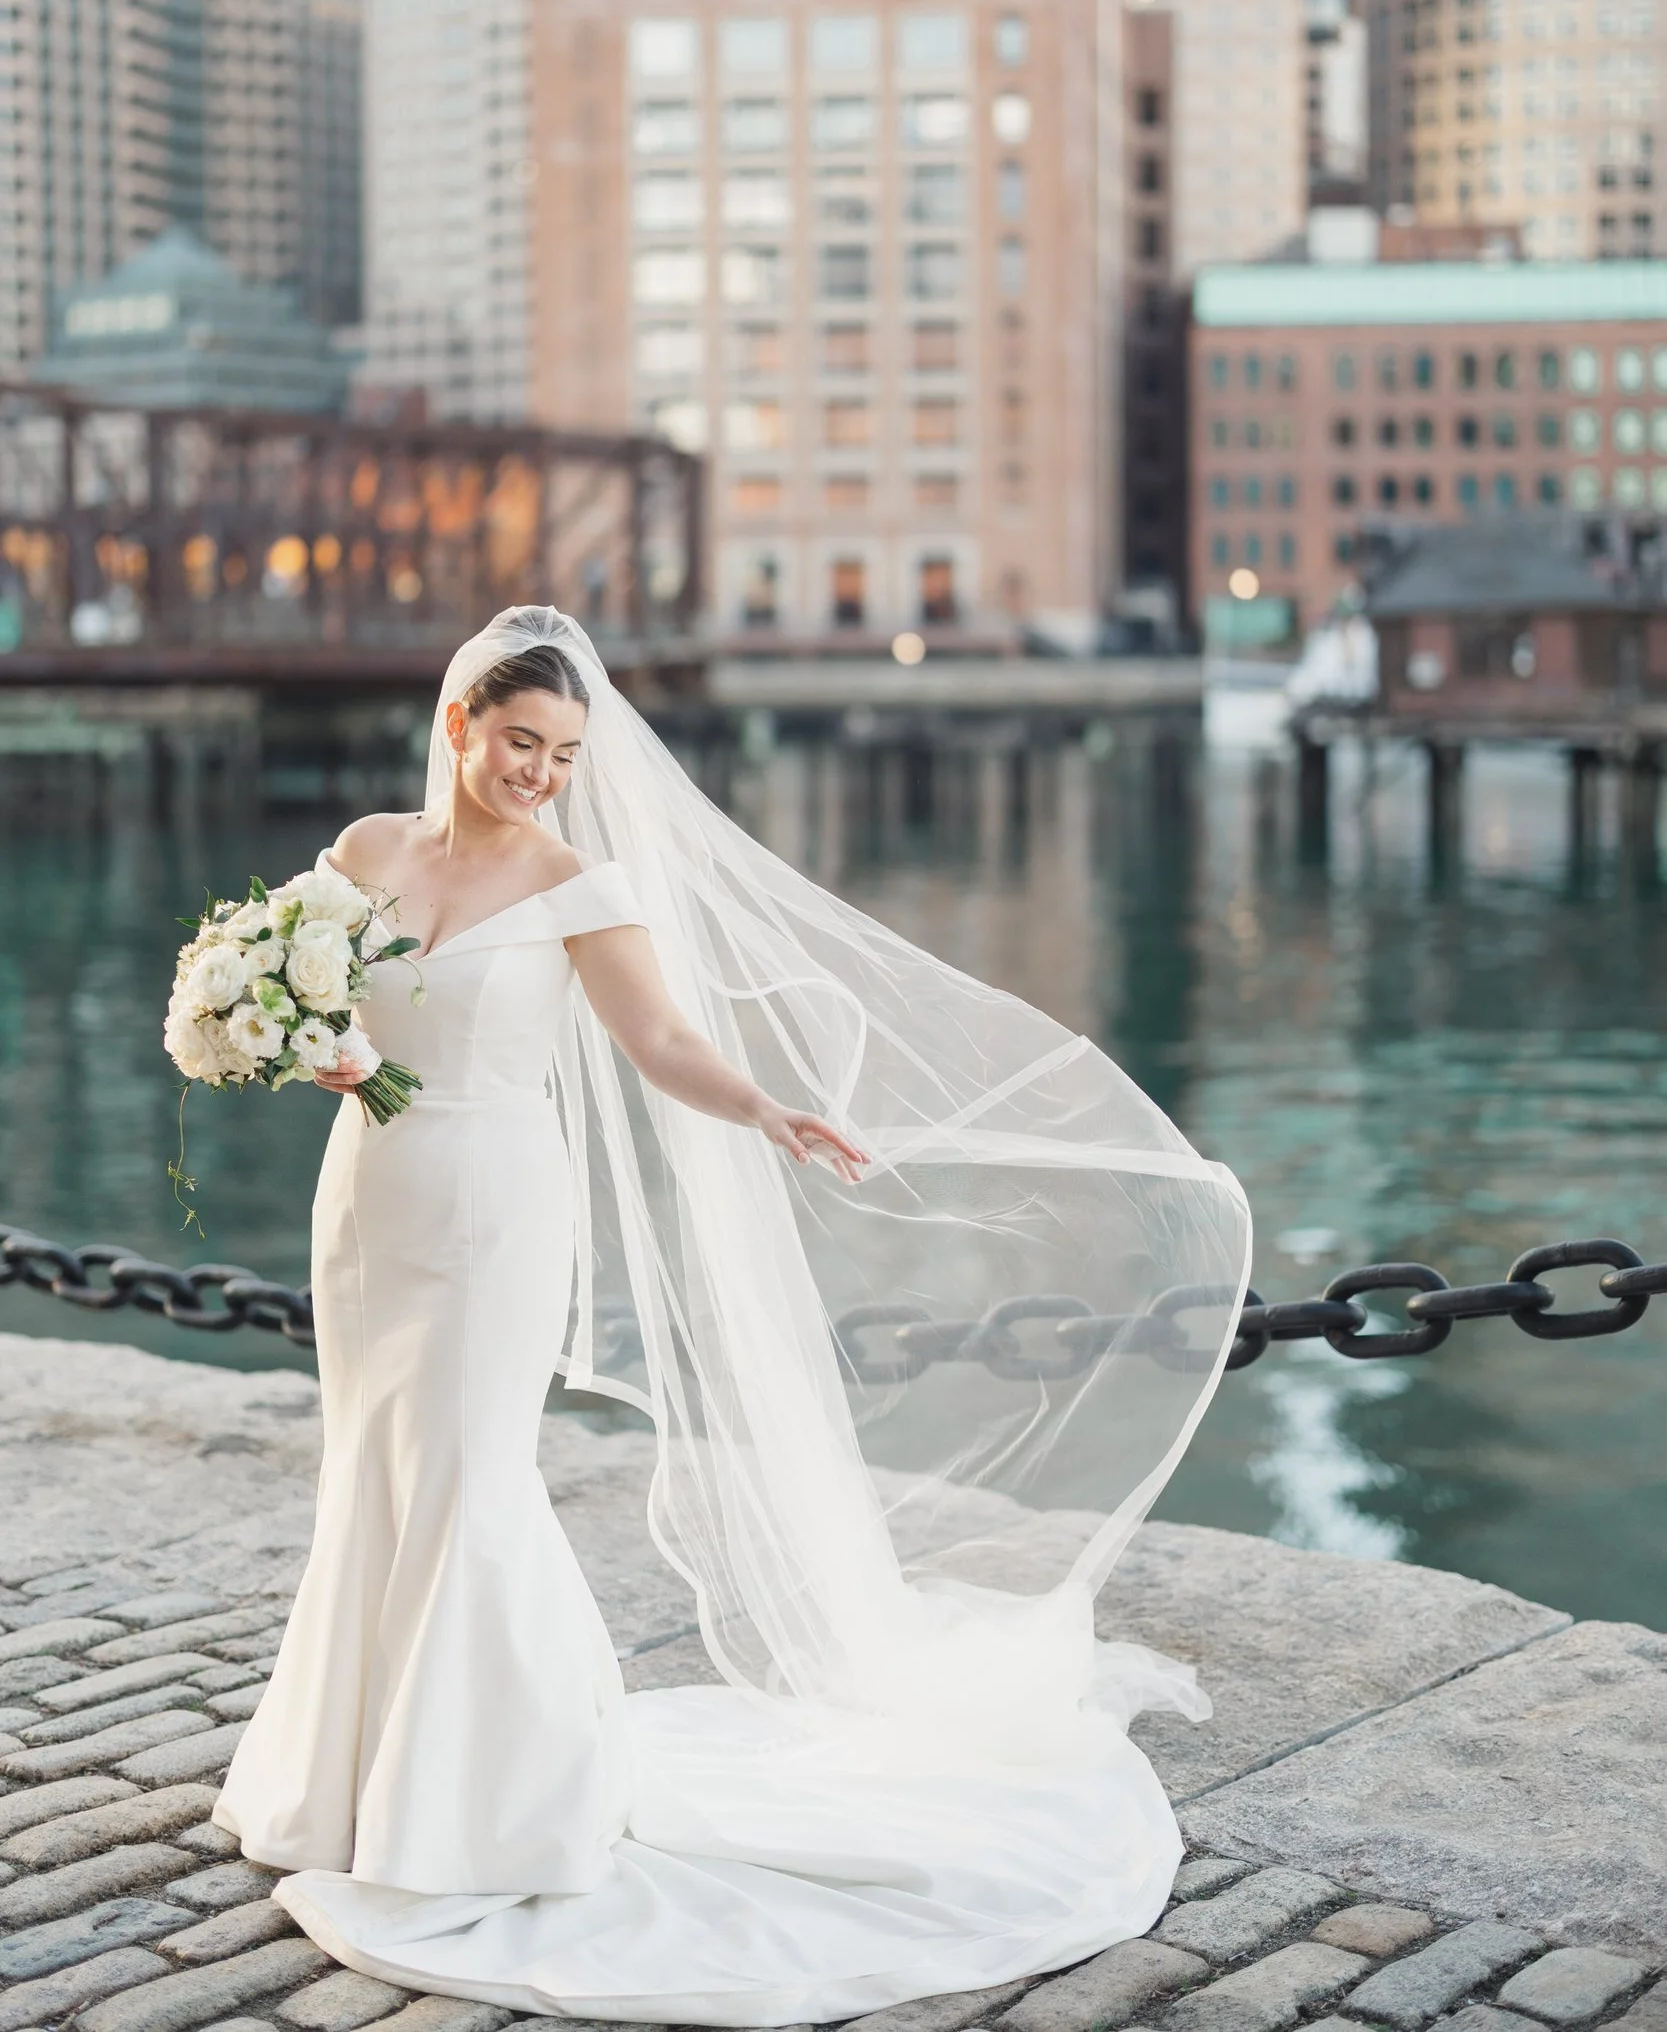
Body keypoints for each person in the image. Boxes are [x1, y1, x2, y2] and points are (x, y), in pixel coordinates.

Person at [214, 606, 1250, 2025]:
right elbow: (297, 988)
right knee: (375, 1471)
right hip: (369, 1199)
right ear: (458, 725)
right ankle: (349, 1780)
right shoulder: (363, 855)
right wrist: (302, 1040)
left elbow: (660, 1043)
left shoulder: (575, 880)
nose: (541, 772)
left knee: (468, 1477)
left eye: (565, 752)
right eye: (521, 742)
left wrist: (763, 1108)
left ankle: (494, 1802)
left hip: (497, 1201)